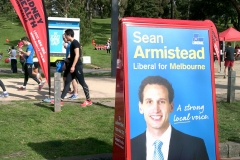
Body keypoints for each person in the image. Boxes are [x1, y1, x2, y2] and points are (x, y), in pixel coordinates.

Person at [131, 76, 209, 160]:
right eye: (149, 102)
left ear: (171, 106)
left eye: (161, 102)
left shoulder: (195, 147)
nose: (156, 109)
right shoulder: (130, 147)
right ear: (140, 107)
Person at [51, 29, 92, 107]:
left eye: (65, 35)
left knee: (82, 82)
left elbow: (77, 55)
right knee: (67, 82)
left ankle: (89, 100)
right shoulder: (71, 43)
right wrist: (67, 62)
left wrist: (73, 66)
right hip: (72, 66)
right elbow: (72, 56)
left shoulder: (75, 43)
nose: (65, 37)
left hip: (77, 66)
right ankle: (60, 100)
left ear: (69, 35)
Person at [62, 34, 79, 100]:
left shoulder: (71, 44)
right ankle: (69, 91)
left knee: (72, 79)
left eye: (64, 37)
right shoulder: (69, 45)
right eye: (63, 38)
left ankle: (75, 93)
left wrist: (65, 62)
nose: (64, 39)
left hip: (69, 63)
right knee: (66, 78)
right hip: (69, 63)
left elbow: (70, 55)